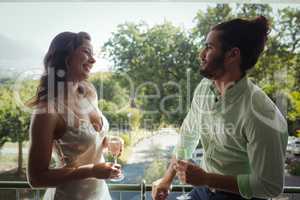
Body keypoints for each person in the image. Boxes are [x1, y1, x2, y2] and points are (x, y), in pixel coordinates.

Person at [152, 16, 288, 200]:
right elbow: (188, 135)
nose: (201, 54)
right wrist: (167, 179)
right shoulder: (204, 88)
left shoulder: (261, 113)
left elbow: (270, 186)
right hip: (202, 191)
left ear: (233, 54)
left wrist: (207, 178)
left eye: (209, 47)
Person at [27, 31, 123, 200]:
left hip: (100, 194)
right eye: (86, 52)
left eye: (93, 54)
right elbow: (36, 178)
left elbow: (88, 140)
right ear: (65, 57)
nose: (93, 60)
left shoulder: (88, 92)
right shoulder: (48, 111)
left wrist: (109, 142)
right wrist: (91, 170)